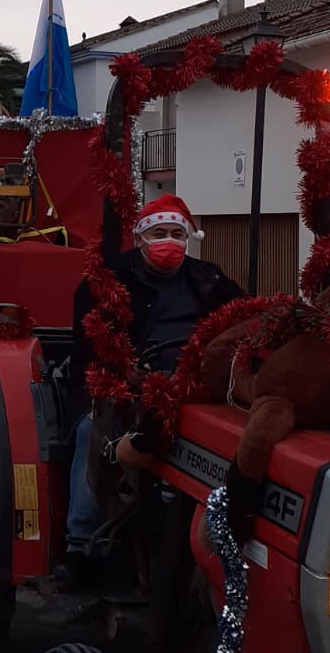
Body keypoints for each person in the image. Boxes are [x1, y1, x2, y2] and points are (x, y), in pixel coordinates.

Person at [57, 194, 243, 590]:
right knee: (94, 432)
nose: (169, 241)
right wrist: (124, 369)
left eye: (177, 233)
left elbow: (243, 319)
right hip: (123, 386)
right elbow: (88, 341)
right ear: (140, 237)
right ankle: (82, 547)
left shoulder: (209, 280)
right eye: (160, 233)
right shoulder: (109, 281)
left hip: (196, 388)